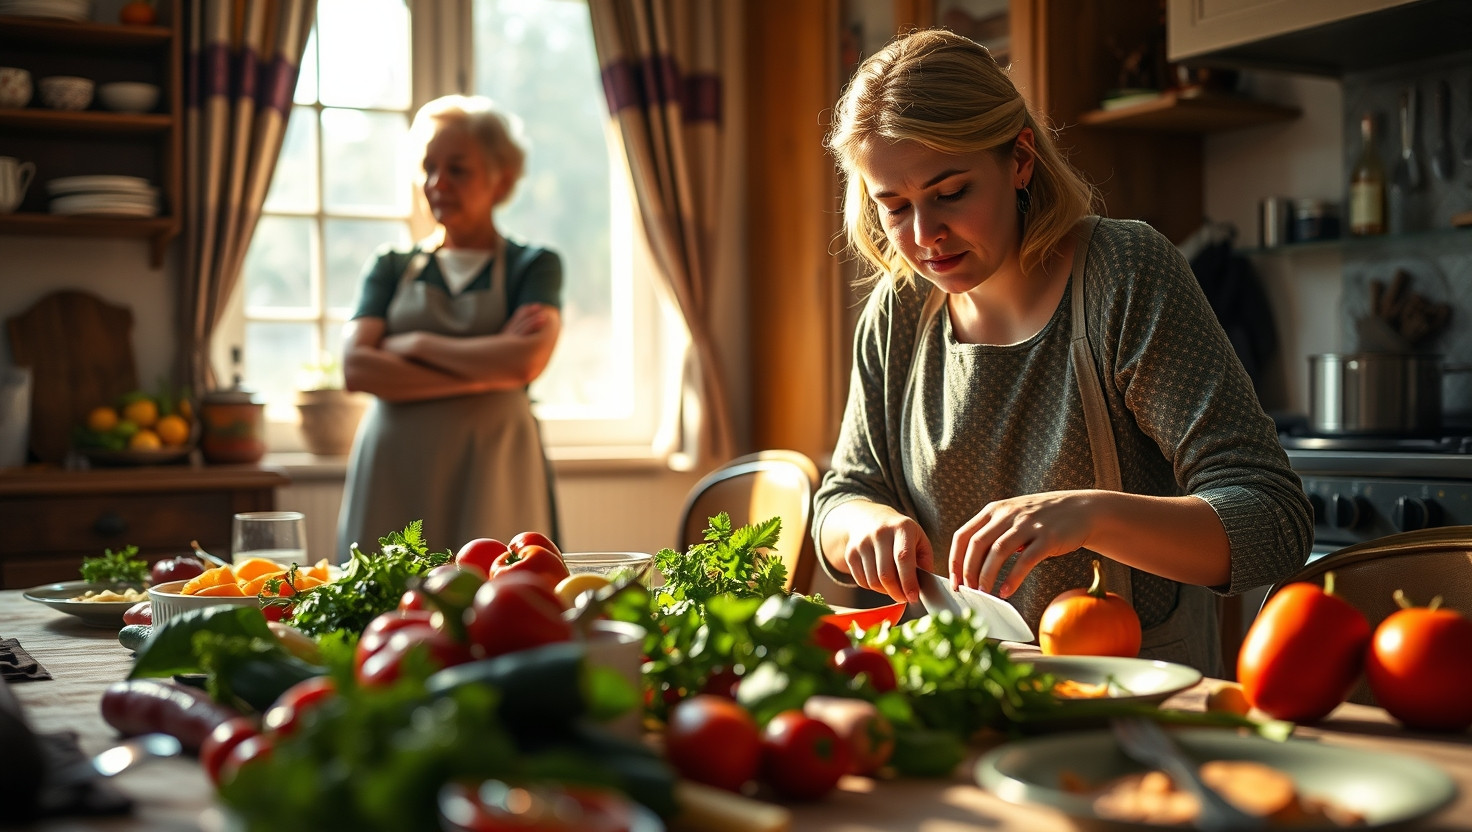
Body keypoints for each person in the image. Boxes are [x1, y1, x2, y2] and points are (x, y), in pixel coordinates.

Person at [813, 29, 1312, 675]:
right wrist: (862, 525)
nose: (925, 235)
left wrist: (1090, 514)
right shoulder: (899, 310)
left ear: (1020, 159)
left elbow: (1273, 522)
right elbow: (843, 495)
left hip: (1134, 696)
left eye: (951, 192)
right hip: (954, 690)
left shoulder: (1123, 274)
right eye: (894, 207)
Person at [337, 94, 561, 556]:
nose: (437, 183)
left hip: (496, 469)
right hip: (393, 472)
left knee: (499, 586)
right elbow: (357, 368)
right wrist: (490, 366)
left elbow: (524, 362)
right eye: (428, 168)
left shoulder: (534, 266)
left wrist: (415, 343)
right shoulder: (390, 265)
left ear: (501, 179)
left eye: (458, 170)